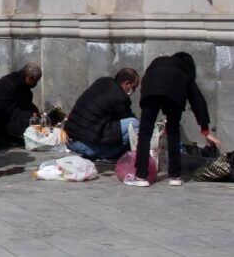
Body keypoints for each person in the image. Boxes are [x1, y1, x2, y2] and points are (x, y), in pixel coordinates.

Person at [125, 52, 221, 187]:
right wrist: (205, 130)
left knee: (145, 132)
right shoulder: (183, 71)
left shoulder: (157, 63)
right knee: (173, 132)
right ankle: (175, 176)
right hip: (174, 96)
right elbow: (197, 100)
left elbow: (147, 81)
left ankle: (141, 176)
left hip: (150, 91)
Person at [64, 68, 140, 161]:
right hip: (84, 145)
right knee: (134, 123)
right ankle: (112, 155)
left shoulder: (102, 82)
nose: (134, 90)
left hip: (70, 141)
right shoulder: (120, 97)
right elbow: (128, 117)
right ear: (126, 84)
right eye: (134, 87)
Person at [0, 62, 42, 149]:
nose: (35, 85)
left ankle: (2, 136)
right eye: (35, 81)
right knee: (31, 116)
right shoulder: (20, 85)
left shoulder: (12, 78)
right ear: (30, 78)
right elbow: (28, 107)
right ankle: (14, 137)